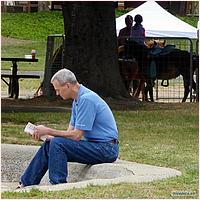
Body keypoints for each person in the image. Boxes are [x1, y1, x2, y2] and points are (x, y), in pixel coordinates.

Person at [17, 68, 119, 188]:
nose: (57, 93)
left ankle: (58, 185)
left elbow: (76, 136)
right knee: (50, 143)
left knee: (57, 143)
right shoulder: (77, 100)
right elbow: (69, 133)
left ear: (67, 85)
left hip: (107, 149)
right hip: (97, 146)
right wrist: (46, 136)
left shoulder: (87, 99)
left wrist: (48, 130)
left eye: (58, 90)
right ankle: (26, 183)